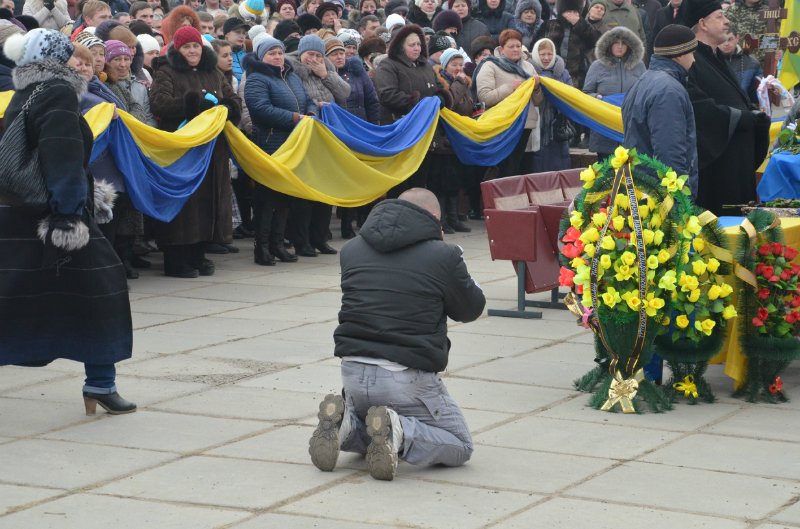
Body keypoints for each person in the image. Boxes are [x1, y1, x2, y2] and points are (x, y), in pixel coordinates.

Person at [0, 28, 136, 415]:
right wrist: (68, 216)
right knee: (102, 290)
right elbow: (61, 157)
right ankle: (100, 383)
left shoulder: (26, 91)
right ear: (59, 60)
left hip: (18, 211)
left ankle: (100, 383)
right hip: (56, 215)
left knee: (13, 300)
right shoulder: (58, 93)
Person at [309, 188, 486, 481]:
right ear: (433, 219)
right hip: (405, 376)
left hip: (352, 372)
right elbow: (471, 309)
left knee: (370, 429)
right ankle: (398, 431)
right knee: (460, 445)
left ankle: (345, 427)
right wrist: (455, 261)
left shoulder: (352, 250)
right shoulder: (444, 255)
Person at [149, 26, 242, 277]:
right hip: (183, 148)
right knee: (185, 204)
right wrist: (192, 105)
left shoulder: (212, 72)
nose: (192, 51)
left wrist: (226, 106)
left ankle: (198, 255)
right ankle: (176, 260)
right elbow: (160, 103)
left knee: (208, 202)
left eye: (196, 46)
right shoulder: (166, 72)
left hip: (212, 148)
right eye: (187, 47)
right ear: (178, 49)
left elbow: (234, 99)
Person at [685, 0, 769, 215]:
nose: (727, 21)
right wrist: (744, 118)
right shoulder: (692, 59)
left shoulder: (715, 56)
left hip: (737, 162)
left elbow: (732, 97)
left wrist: (753, 114)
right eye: (720, 17)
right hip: (718, 171)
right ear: (703, 23)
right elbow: (700, 108)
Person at [244, 35, 314, 265]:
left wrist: (311, 113)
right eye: (271, 53)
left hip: (294, 144)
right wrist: (295, 118)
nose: (277, 57)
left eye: (279, 52)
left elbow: (307, 99)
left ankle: (277, 243)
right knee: (267, 199)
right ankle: (261, 247)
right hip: (270, 144)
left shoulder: (291, 76)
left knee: (285, 198)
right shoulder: (257, 79)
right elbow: (260, 109)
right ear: (262, 57)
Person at [285, 34, 350, 256]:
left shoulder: (326, 69)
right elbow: (296, 98)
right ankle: (302, 241)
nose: (313, 59)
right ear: (301, 53)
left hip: (328, 137)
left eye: (317, 55)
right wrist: (315, 105)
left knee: (325, 191)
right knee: (305, 194)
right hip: (305, 136)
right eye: (310, 55)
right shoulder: (291, 70)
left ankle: (320, 238)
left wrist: (326, 75)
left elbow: (344, 93)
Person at [622, 24, 698, 195]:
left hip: (641, 188)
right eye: (692, 53)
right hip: (660, 196)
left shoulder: (642, 82)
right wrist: (679, 200)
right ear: (679, 55)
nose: (694, 60)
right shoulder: (669, 91)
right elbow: (669, 152)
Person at [374, 24, 446, 194]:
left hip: (425, 133)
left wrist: (441, 99)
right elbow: (387, 94)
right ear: (400, 46)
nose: (416, 48)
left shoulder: (426, 66)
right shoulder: (388, 65)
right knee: (401, 184)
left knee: (421, 183)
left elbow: (437, 89)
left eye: (419, 44)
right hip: (401, 132)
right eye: (411, 45)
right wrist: (418, 102)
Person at [325, 35, 381, 238]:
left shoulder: (358, 73)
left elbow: (372, 101)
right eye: (334, 54)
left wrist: (374, 127)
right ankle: (345, 224)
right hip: (338, 133)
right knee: (342, 180)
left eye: (341, 52)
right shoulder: (326, 76)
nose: (339, 57)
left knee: (361, 178)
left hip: (360, 130)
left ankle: (362, 219)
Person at [475, 28, 543, 177]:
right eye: (511, 46)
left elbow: (537, 102)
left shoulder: (529, 67)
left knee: (519, 168)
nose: (516, 49)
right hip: (503, 125)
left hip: (525, 124)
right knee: (506, 167)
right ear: (501, 49)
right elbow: (484, 97)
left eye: (518, 46)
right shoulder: (490, 65)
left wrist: (537, 88)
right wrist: (509, 88)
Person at [583, 25, 645, 161]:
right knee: (607, 176)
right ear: (609, 44)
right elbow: (586, 93)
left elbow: (645, 93)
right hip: (605, 130)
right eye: (616, 42)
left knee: (632, 176)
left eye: (624, 43)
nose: (620, 46)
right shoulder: (597, 66)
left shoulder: (639, 66)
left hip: (631, 129)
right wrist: (597, 98)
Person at [528, 38, 571, 171]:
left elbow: (571, 93)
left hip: (558, 122)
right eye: (542, 54)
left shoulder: (563, 73)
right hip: (536, 121)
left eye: (549, 54)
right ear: (536, 54)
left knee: (559, 159)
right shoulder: (529, 70)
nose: (546, 58)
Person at [535, 0, 600, 89]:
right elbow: (536, 47)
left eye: (575, 12)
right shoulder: (548, 25)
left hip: (577, 79)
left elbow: (596, 41)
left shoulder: (584, 26)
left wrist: (579, 23)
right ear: (562, 11)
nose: (571, 15)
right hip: (551, 77)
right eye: (568, 11)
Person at [719, 27, 761, 107]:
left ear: (737, 38)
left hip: (743, 111)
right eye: (722, 40)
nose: (726, 43)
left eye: (730, 39)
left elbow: (758, 95)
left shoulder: (752, 63)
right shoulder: (709, 60)